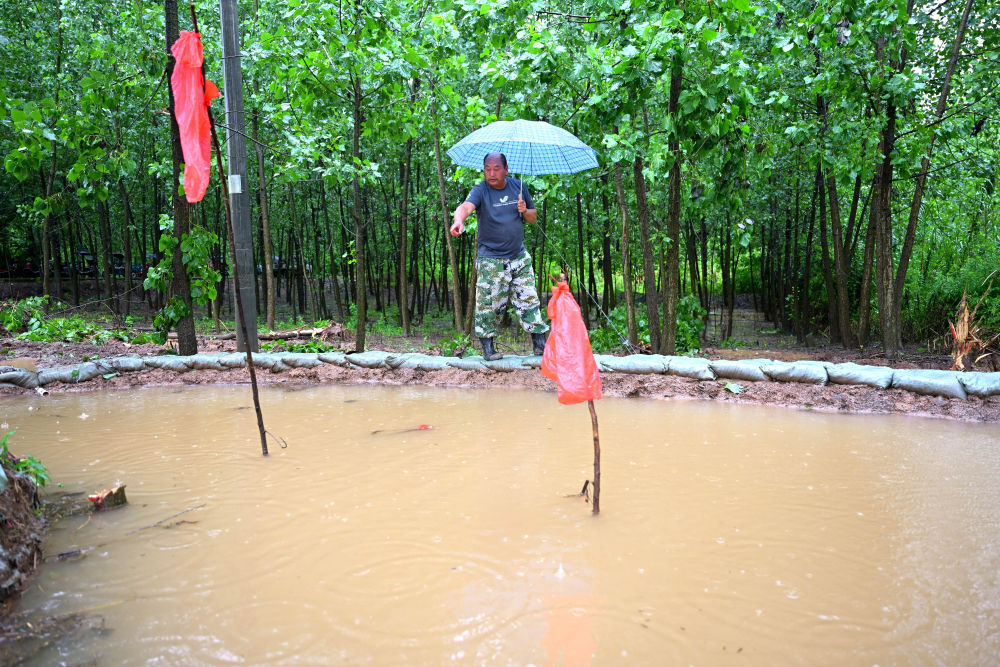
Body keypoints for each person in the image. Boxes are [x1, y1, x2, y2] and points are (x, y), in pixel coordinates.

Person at [451, 152, 549, 360]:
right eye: (487, 169)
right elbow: (465, 207)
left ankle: (540, 346)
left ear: (506, 169)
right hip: (491, 260)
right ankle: (488, 349)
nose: (491, 173)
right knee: (488, 305)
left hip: (518, 257)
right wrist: (458, 220)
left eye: (496, 168)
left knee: (529, 300)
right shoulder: (481, 190)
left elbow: (532, 218)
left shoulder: (518, 187)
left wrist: (524, 210)